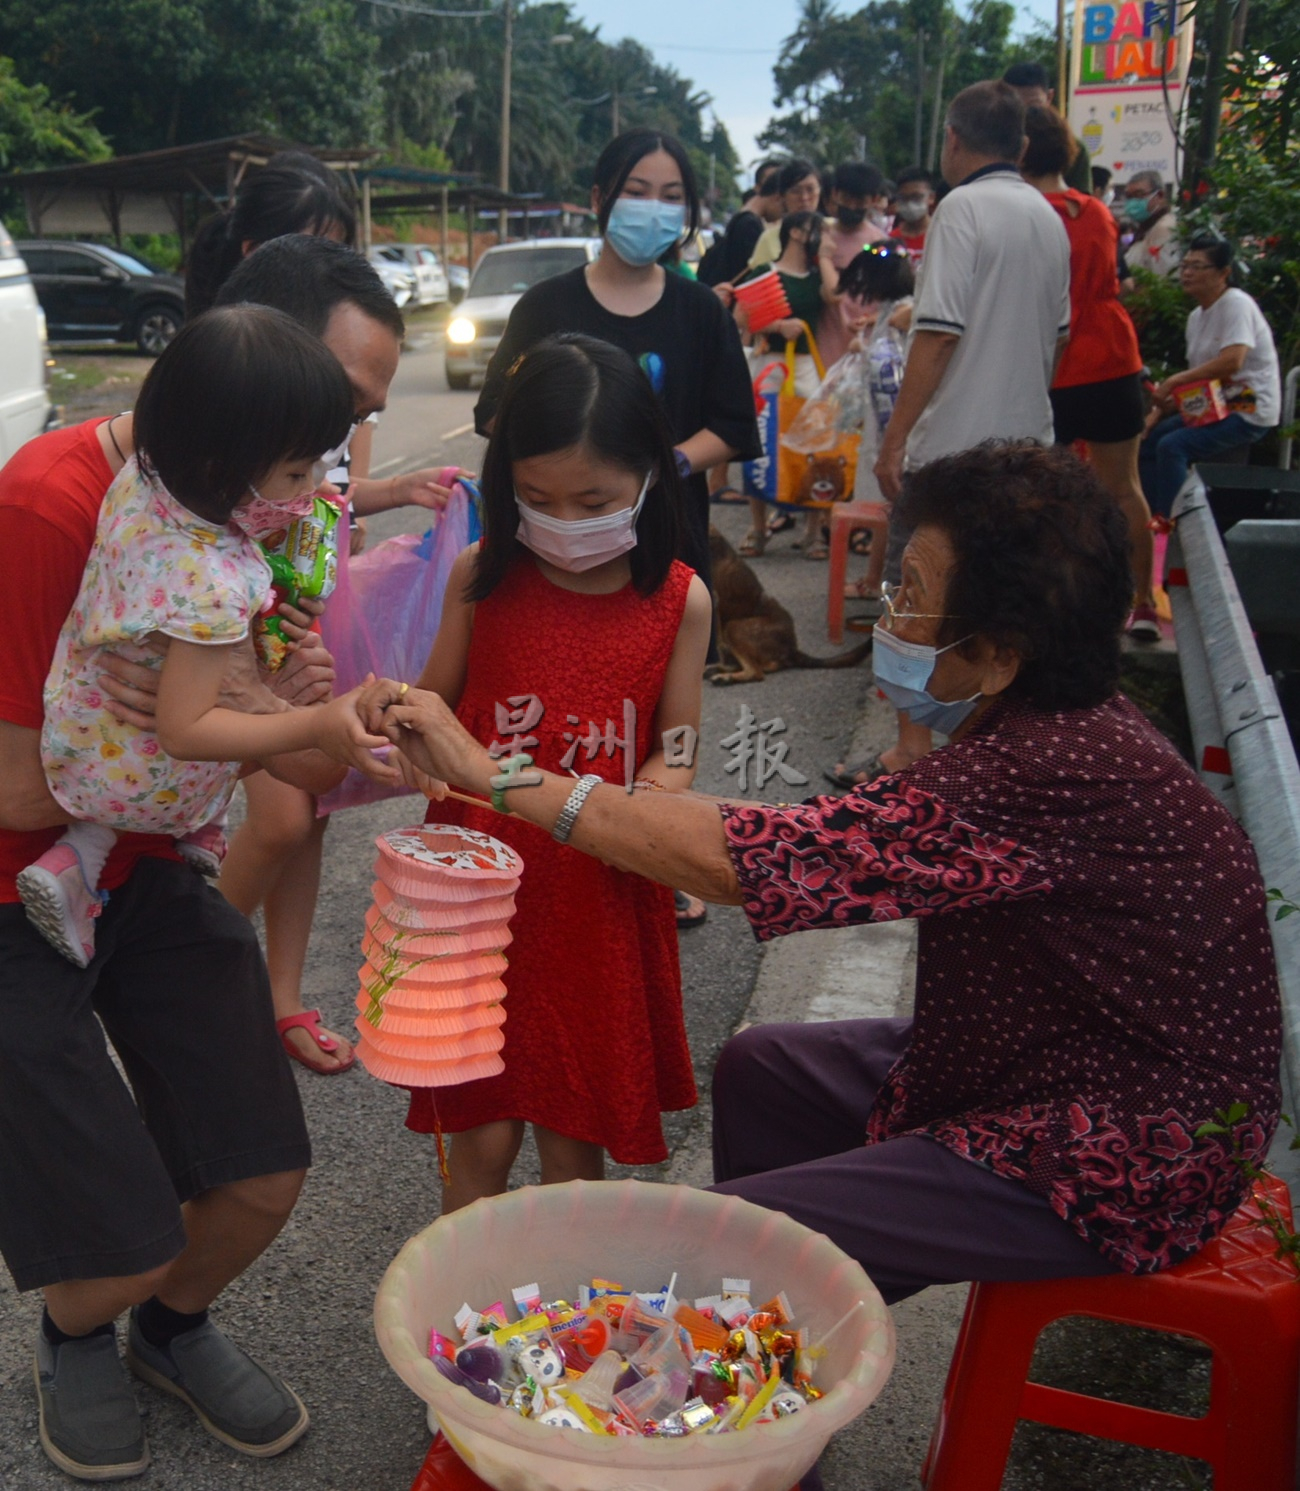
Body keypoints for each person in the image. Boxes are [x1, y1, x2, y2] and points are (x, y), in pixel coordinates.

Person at [367, 437, 1281, 1317]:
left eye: (912, 597)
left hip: (1123, 1145)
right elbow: (773, 833)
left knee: (727, 1240)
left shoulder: (1035, 773)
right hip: (1038, 1054)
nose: (889, 620)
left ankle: (751, 1324)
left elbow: (754, 857)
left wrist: (495, 774)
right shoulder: (1050, 726)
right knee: (763, 1067)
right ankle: (787, 1329)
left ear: (1002, 651)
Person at [0, 316, 368, 1479]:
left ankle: (168, 1328)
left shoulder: (229, 525)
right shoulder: (50, 505)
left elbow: (289, 767)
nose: (322, 492)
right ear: (223, 437)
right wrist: (237, 719)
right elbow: (17, 788)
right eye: (306, 465)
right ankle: (78, 1333)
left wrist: (274, 699)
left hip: (142, 856)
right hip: (15, 880)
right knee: (124, 1239)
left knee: (261, 1177)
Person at [400, 334, 712, 1211]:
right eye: (537, 499)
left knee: (574, 1135)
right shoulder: (482, 575)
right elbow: (433, 702)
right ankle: (471, 1284)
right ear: (507, 484)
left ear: (647, 476)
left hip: (593, 887)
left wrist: (647, 804)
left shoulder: (679, 598)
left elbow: (679, 743)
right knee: (479, 1128)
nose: (566, 520)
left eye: (593, 500)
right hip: (480, 889)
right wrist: (406, 729)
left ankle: (563, 1292)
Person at [17, 306, 397, 968]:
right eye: (297, 473)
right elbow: (186, 730)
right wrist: (316, 722)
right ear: (223, 467)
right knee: (218, 736)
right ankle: (111, 851)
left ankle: (110, 843)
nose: (311, 491)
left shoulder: (146, 481)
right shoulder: (216, 584)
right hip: (118, 774)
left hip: (78, 712)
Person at [210, 237, 463, 1074]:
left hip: (288, 637)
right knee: (281, 816)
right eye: (348, 401)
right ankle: (188, 991)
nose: (347, 432)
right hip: (231, 657)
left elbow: (335, 497)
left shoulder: (305, 460)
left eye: (363, 417)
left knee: (305, 809)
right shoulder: (185, 472)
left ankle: (276, 998)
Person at [870, 81, 1069, 782]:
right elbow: (1061, 336)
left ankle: (911, 749)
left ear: (952, 140)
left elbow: (937, 334)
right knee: (1003, 603)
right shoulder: (1049, 217)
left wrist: (894, 439)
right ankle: (991, 749)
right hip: (1028, 450)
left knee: (916, 598)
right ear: (1022, 144)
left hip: (953, 450)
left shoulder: (960, 209)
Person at [1019, 106, 1157, 639]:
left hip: (1050, 365)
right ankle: (1142, 604)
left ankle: (1054, 606)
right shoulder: (1095, 211)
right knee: (1124, 487)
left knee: (1040, 495)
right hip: (1112, 358)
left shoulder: (1023, 215)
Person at [1140, 231, 1281, 515]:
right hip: (1214, 403)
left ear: (1223, 273)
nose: (1187, 273)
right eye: (1185, 266)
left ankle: (1176, 523)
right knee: (1149, 442)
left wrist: (1174, 381)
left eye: (1197, 266)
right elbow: (1200, 380)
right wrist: (1156, 414)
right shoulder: (1196, 317)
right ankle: (1153, 516)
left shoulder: (1236, 304)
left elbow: (1232, 362)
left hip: (1248, 405)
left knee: (1172, 446)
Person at [732, 211, 826, 558]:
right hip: (770, 365)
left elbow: (834, 296)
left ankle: (814, 532)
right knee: (760, 443)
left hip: (806, 366)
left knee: (815, 445)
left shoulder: (819, 276)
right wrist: (776, 327)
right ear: (797, 232)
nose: (821, 236)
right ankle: (758, 528)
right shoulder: (764, 272)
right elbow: (741, 318)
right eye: (816, 229)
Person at [816, 162, 890, 367]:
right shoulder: (819, 237)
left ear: (874, 200)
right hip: (821, 353)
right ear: (835, 194)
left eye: (860, 201)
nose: (852, 206)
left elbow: (894, 304)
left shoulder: (880, 245)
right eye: (847, 198)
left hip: (863, 353)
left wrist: (869, 320)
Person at [1001, 61, 1092, 193]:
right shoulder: (991, 147)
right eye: (1015, 105)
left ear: (1049, 97)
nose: (1024, 113)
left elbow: (1080, 200)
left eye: (1032, 105)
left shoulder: (1070, 147)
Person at [697, 160, 782, 288]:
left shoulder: (740, 219)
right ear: (777, 197)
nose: (782, 213)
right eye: (784, 207)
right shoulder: (750, 225)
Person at [744, 157, 822, 272]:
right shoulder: (769, 240)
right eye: (796, 191)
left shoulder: (833, 231)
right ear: (782, 196)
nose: (804, 198)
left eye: (810, 189)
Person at [1120, 169, 1181, 285]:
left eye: (1139, 195)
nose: (1133, 201)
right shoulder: (1146, 228)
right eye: (1129, 196)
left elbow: (1164, 280)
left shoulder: (1164, 229)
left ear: (1160, 195)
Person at [889, 167, 936, 268]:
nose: (910, 203)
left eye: (917, 197)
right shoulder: (891, 240)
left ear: (931, 197)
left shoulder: (939, 235)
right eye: (904, 198)